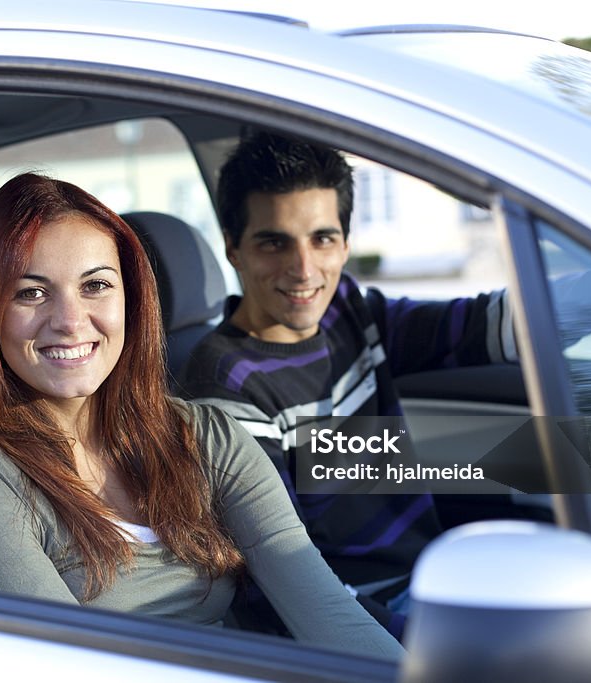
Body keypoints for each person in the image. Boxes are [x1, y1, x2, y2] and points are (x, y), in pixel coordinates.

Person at [0, 172, 404, 660]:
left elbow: (327, 613)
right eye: (31, 292)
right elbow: (71, 670)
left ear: (131, 301)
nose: (70, 321)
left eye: (95, 285)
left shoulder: (209, 437)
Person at [177, 132, 519, 638]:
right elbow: (285, 576)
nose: (303, 269)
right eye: (274, 242)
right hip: (362, 614)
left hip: (431, 573)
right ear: (233, 249)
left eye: (322, 238)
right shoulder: (223, 386)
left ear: (345, 243)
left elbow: (484, 325)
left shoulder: (347, 313)